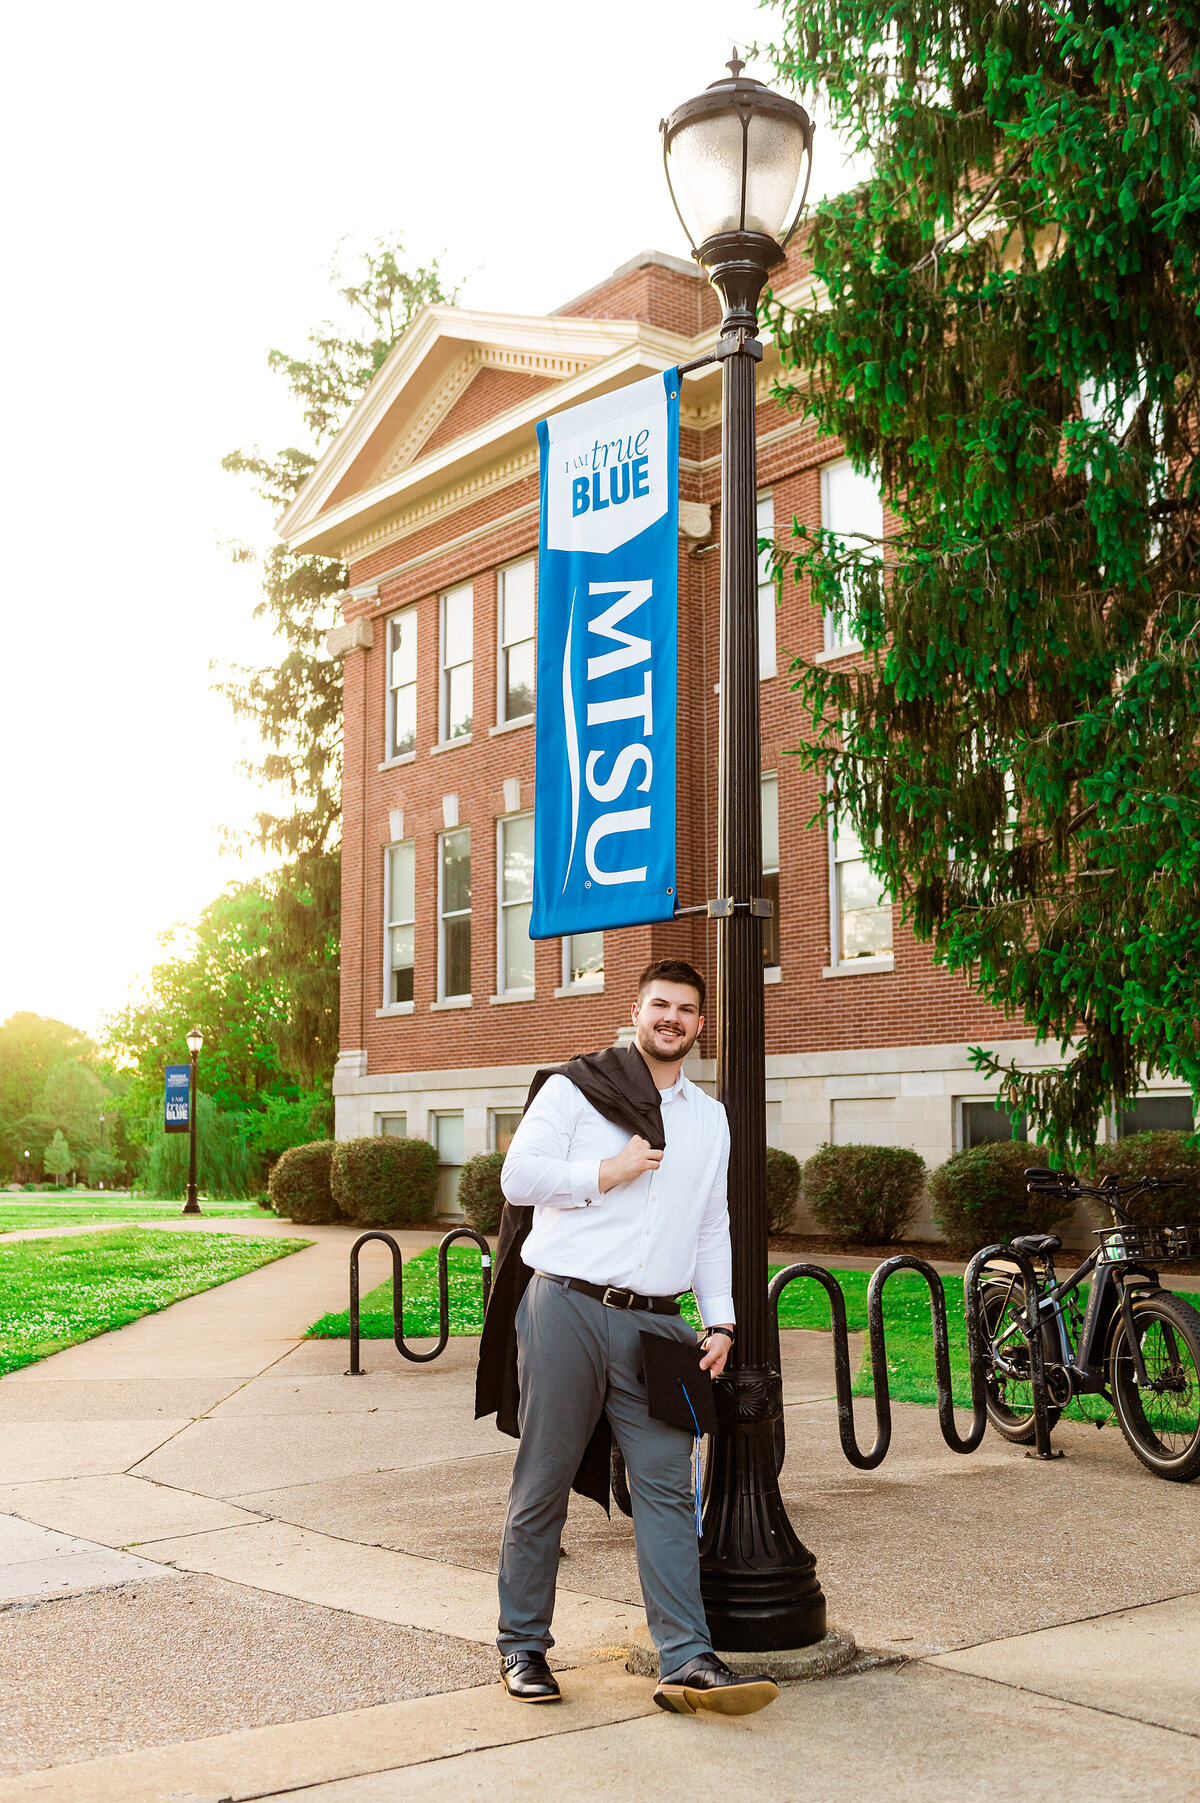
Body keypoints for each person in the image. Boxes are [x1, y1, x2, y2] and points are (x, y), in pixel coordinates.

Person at [488, 958, 778, 1717]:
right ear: (636, 1009)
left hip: (659, 1321)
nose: (671, 1018)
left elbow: (712, 1224)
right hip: (566, 1306)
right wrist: (607, 1171)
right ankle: (522, 1644)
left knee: (667, 1487)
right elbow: (518, 1176)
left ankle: (685, 1655)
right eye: (660, 1004)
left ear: (701, 1024)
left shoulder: (707, 1118)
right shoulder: (576, 1090)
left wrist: (721, 1318)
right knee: (543, 1476)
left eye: (686, 1008)